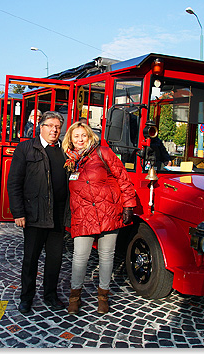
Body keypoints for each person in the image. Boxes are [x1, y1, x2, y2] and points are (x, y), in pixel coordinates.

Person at [62, 122, 136, 314]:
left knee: (106, 257)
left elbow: (123, 178)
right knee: (79, 257)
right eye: (76, 136)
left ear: (90, 137)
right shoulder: (68, 160)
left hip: (108, 211)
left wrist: (129, 205)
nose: (80, 139)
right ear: (70, 139)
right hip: (83, 214)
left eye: (83, 135)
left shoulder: (103, 152)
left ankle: (103, 296)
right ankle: (75, 297)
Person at [7, 111, 69, 314]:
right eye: (50, 125)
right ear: (40, 126)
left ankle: (50, 295)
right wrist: (18, 213)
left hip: (58, 215)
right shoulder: (26, 148)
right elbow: (14, 182)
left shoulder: (65, 151)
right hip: (34, 213)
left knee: (55, 259)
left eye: (58, 127)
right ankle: (26, 297)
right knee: (30, 259)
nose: (54, 130)